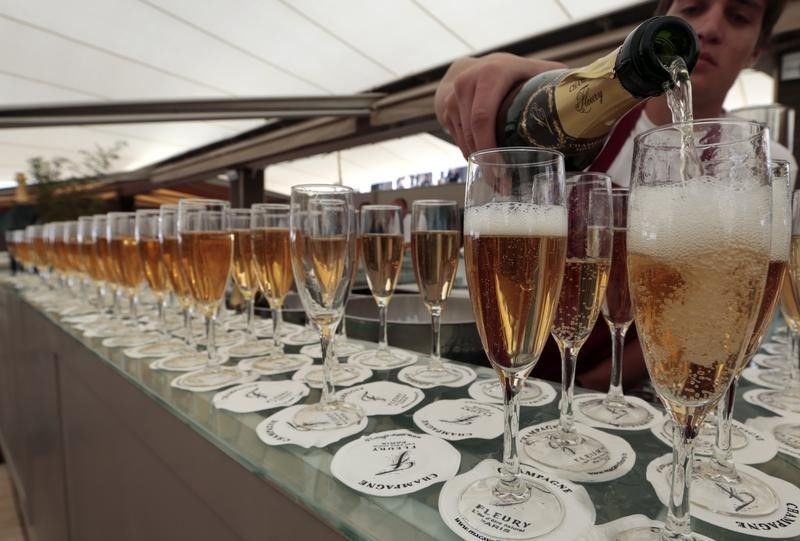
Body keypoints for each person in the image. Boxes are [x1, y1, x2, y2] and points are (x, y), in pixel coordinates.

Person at [435, 0, 793, 390]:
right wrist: (485, 72)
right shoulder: (589, 119)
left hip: (636, 393)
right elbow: (453, 84)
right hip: (522, 375)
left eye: (738, 16)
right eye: (692, 9)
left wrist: (600, 388)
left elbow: (729, 312)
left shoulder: (764, 163)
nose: (709, 28)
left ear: (757, 50)